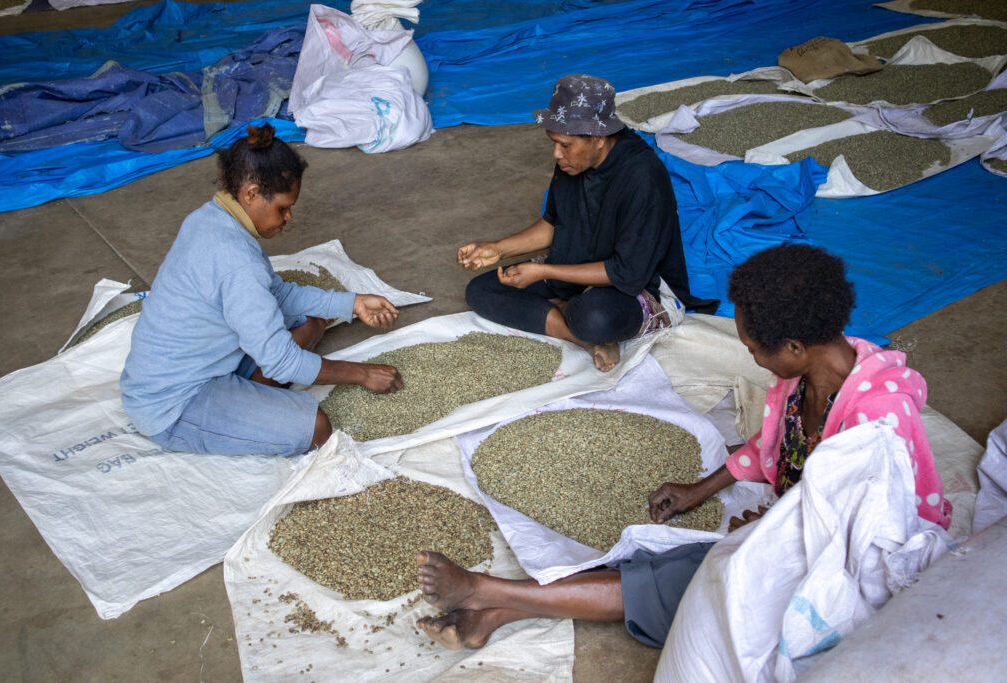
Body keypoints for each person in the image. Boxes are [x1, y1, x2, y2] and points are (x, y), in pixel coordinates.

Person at [415, 244, 950, 650]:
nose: (753, 360)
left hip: (861, 566)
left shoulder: (877, 422)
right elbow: (772, 446)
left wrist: (774, 532)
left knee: (693, 577)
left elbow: (871, 532)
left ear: (792, 346)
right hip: (806, 527)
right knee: (668, 554)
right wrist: (701, 489)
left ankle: (489, 593)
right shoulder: (802, 376)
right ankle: (494, 612)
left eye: (754, 350)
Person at [120, 123, 403, 457]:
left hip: (209, 362)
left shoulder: (210, 217)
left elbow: (277, 295)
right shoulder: (237, 261)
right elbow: (282, 362)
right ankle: (242, 408)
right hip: (175, 403)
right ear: (251, 194)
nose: (288, 218)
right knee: (316, 428)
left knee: (311, 322)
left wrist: (352, 303)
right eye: (282, 208)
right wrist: (361, 374)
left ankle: (249, 398)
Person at [458, 74, 716, 372]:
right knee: (482, 291)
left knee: (594, 317)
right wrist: (498, 249)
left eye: (565, 145)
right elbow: (552, 224)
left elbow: (627, 272)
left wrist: (542, 270)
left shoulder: (642, 177)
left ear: (598, 138)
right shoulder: (572, 163)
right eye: (554, 143)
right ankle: (581, 338)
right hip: (576, 266)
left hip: (636, 284)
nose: (557, 154)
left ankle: (572, 316)